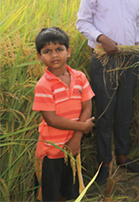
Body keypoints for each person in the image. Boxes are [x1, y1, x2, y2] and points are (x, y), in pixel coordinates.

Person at [76, 0, 139, 185]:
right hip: (104, 59)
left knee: (125, 110)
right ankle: (104, 163)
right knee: (104, 112)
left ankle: (123, 156)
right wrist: (102, 39)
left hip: (130, 58)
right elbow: (82, 22)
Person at [33, 27, 95, 201]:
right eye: (47, 51)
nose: (54, 55)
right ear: (39, 56)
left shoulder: (80, 77)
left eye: (59, 49)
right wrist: (83, 127)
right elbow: (51, 119)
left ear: (68, 51)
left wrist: (76, 139)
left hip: (72, 149)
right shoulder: (44, 85)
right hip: (51, 152)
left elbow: (87, 107)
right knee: (51, 195)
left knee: (69, 192)